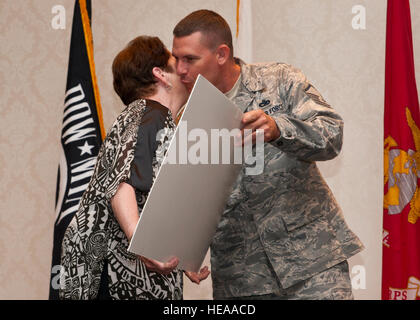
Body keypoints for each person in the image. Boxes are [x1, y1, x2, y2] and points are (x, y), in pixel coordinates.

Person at [172, 10, 364, 300]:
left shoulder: (278, 80)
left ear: (221, 54)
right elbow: (189, 196)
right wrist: (187, 250)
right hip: (242, 277)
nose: (180, 69)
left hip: (312, 261)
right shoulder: (185, 117)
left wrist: (279, 129)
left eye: (189, 59)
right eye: (176, 59)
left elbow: (331, 135)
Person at [59, 36, 210, 300]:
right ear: (160, 74)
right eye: (177, 62)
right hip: (110, 272)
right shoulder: (150, 112)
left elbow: (155, 201)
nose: (185, 70)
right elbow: (122, 183)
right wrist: (143, 246)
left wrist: (182, 256)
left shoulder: (148, 118)